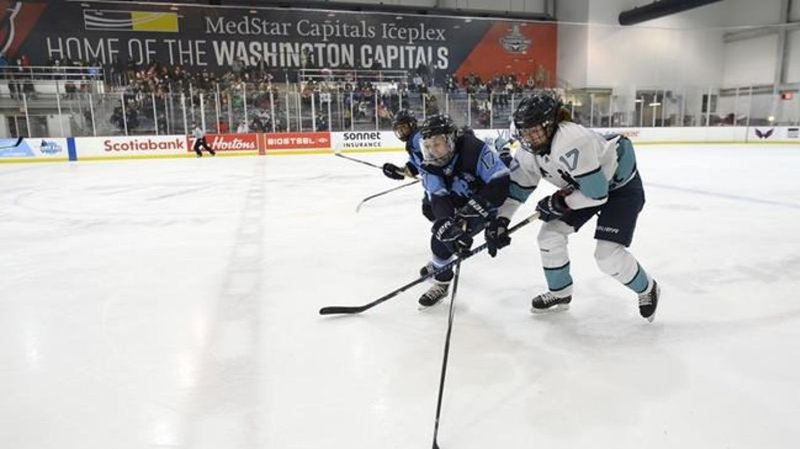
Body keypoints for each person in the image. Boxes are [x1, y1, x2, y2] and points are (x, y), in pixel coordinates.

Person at [485, 93, 660, 322]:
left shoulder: (570, 140)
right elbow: (516, 192)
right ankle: (560, 292)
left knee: (607, 256)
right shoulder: (528, 152)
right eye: (525, 132)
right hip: (583, 187)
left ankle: (648, 288)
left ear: (551, 124)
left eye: (534, 131)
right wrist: (500, 221)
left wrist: (559, 203)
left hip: (620, 187)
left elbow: (597, 193)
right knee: (549, 235)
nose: (529, 138)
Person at [416, 114, 510, 307]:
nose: (432, 151)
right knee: (442, 237)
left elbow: (500, 182)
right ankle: (442, 279)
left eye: (437, 144)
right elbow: (439, 198)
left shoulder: (473, 150)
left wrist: (474, 211)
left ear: (451, 139)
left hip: (485, 201)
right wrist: (447, 225)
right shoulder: (428, 165)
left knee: (444, 241)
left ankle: (440, 272)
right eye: (428, 146)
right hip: (457, 202)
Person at [381, 109, 436, 221]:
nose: (401, 131)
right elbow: (416, 165)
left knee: (432, 210)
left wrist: (433, 175)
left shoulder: (417, 138)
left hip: (440, 183)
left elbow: (435, 158)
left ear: (412, 125)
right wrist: (397, 171)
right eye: (399, 129)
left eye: (404, 127)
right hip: (435, 182)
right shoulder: (414, 139)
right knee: (429, 210)